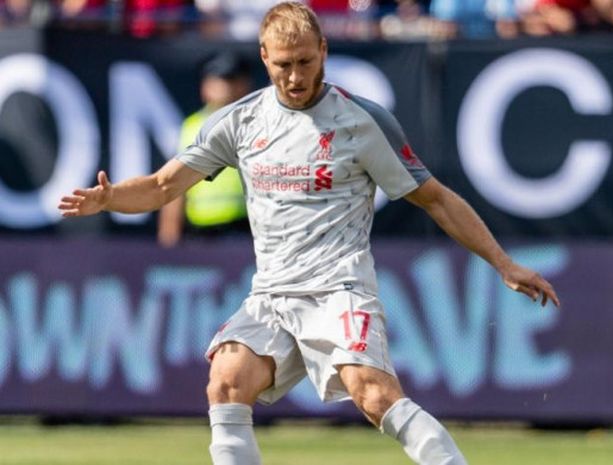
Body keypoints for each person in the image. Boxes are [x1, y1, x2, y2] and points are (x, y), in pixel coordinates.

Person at [58, 2, 560, 464]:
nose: (295, 77)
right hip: (272, 294)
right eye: (282, 64)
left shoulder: (361, 121)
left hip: (338, 289)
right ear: (263, 57)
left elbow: (435, 199)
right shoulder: (239, 121)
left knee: (374, 395)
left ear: (324, 51)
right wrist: (110, 198)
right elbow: (164, 185)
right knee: (226, 383)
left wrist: (503, 263)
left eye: (304, 61)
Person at [158, 52, 253, 247]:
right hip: (200, 232)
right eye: (219, 80)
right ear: (205, 87)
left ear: (244, 85)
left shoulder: (258, 123)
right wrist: (169, 236)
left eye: (232, 80)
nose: (225, 86)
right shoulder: (191, 127)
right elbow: (174, 185)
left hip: (247, 229)